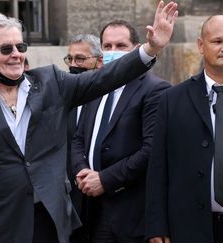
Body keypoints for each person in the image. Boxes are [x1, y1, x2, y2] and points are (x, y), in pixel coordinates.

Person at [0, 1, 178, 243]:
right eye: (5, 49)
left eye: (20, 46)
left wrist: (150, 48)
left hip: (51, 221)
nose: (16, 55)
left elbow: (104, 79)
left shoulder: (51, 83)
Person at [145, 15, 223, 243]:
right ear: (201, 46)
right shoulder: (172, 100)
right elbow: (158, 167)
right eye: (217, 41)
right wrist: (156, 225)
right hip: (190, 228)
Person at [71, 20, 171, 243]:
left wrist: (104, 179)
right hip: (88, 207)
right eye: (107, 47)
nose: (113, 52)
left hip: (129, 211)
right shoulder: (95, 86)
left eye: (120, 46)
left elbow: (151, 150)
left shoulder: (155, 90)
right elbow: (78, 137)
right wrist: (82, 171)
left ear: (136, 49)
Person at [63, 33, 103, 243]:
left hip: (102, 198)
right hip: (68, 199)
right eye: (70, 59)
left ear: (98, 62)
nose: (73, 65)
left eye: (80, 59)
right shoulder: (61, 94)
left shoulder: (107, 96)